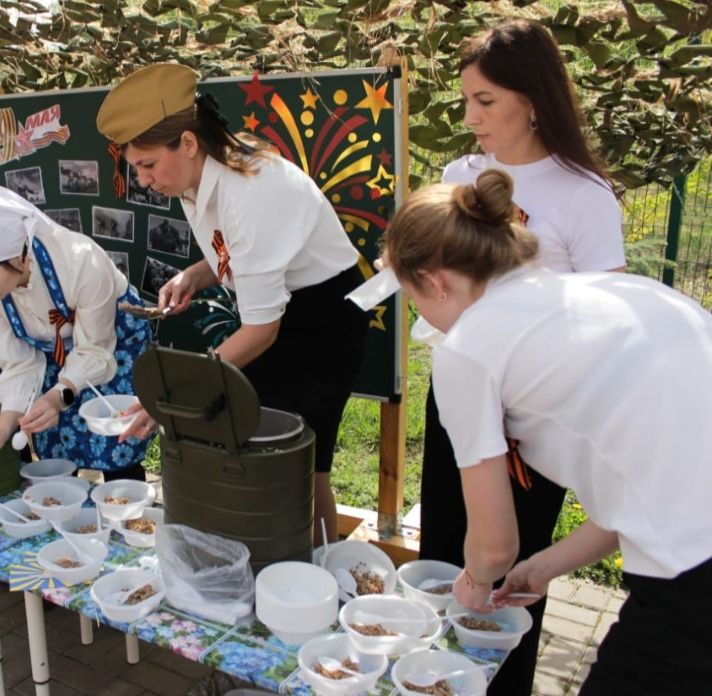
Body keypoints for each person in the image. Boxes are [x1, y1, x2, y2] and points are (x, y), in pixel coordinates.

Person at [382, 167, 712, 696]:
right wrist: (544, 567)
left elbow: (493, 547)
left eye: (411, 297)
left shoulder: (468, 349)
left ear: (437, 281)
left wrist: (471, 586)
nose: (420, 313)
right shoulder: (610, 295)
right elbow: (637, 492)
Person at [416, 20, 626, 695]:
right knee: (445, 554)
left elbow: (607, 317)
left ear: (532, 98)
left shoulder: (583, 195)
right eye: (466, 101)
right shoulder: (459, 175)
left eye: (486, 101)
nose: (471, 118)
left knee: (509, 578)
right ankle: (432, 677)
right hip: (458, 393)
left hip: (535, 420)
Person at [96, 63, 370, 542]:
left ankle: (321, 569)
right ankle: (263, 551)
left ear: (186, 142)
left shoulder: (250, 193)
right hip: (279, 311)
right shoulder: (193, 171)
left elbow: (262, 330)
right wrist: (197, 275)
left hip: (323, 323)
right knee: (252, 448)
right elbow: (232, 249)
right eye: (135, 167)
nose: (142, 180)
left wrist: (174, 396)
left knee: (303, 461)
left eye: (147, 165)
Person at [0, 187, 154, 480]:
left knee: (115, 444)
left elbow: (94, 351)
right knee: (59, 450)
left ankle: (127, 514)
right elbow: (19, 363)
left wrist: (58, 395)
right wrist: (1, 431)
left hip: (110, 344)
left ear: (17, 257)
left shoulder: (82, 262)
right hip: (53, 351)